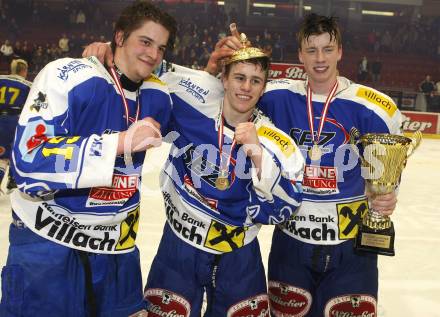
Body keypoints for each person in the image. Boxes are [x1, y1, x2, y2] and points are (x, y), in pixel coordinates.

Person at [82, 34, 305, 316]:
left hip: (238, 255)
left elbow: (287, 205)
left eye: (255, 81)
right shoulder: (194, 100)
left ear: (264, 88)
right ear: (223, 79)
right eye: (239, 78)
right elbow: (145, 66)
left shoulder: (276, 141)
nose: (246, 88)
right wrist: (109, 51)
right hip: (178, 246)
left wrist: (258, 153)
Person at [0, 2, 176, 317]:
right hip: (49, 244)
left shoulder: (159, 95)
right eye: (145, 42)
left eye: (160, 48)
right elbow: (28, 159)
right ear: (119, 37)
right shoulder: (67, 75)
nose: (153, 54)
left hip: (116, 252)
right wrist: (118, 143)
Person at [255, 14, 402, 317]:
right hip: (291, 244)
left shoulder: (373, 108)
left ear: (340, 52)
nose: (320, 59)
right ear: (300, 55)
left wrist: (387, 194)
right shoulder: (275, 97)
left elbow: (388, 167)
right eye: (311, 50)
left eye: (327, 49)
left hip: (350, 249)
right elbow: (230, 95)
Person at [0, 59, 32, 194]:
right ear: (24, 71)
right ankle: (12, 179)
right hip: (13, 120)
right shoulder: (28, 85)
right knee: (12, 151)